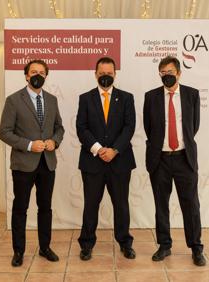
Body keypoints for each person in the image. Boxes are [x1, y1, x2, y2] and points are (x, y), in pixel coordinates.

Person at [0, 59, 64, 267]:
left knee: (45, 208)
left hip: (48, 163)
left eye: (42, 72)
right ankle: (18, 251)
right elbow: (4, 133)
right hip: (23, 165)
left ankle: (45, 247)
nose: (38, 75)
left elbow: (59, 128)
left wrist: (55, 141)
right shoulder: (13, 100)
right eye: (33, 72)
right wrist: (28, 145)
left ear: (46, 75)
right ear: (26, 75)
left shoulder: (52, 100)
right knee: (20, 208)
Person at [143, 56, 205, 266]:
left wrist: (178, 144)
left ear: (179, 73)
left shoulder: (192, 95)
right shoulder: (150, 97)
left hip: (184, 158)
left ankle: (196, 247)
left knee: (191, 205)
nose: (166, 76)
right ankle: (164, 245)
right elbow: (148, 128)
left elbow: (193, 127)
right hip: (159, 160)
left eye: (170, 72)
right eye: (163, 73)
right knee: (161, 205)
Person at [76, 57, 136, 261]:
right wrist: (100, 149)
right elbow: (81, 128)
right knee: (91, 204)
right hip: (92, 161)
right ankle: (86, 244)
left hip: (120, 161)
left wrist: (115, 150)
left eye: (109, 74)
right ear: (95, 74)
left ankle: (125, 243)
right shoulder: (85, 98)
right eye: (101, 74)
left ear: (115, 74)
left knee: (121, 204)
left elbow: (129, 127)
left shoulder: (127, 98)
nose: (105, 77)